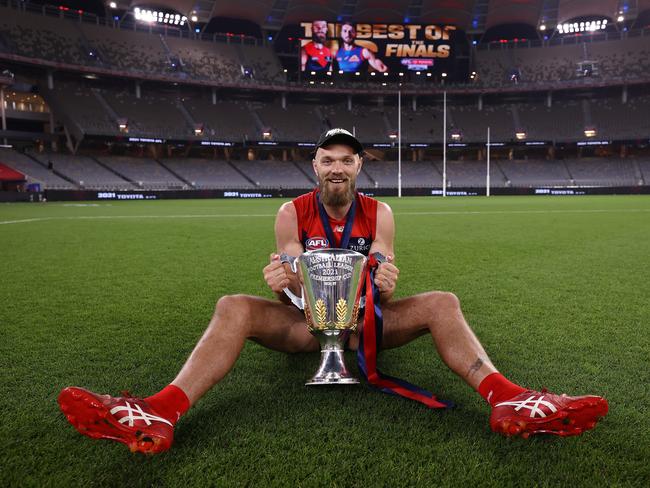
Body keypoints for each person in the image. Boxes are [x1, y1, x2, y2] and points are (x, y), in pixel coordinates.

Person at [58, 128, 608, 454]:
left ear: (360, 166)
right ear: (314, 165)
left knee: (442, 302)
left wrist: (387, 282)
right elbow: (294, 292)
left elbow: (385, 282)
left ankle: (508, 397)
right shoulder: (290, 212)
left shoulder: (381, 212)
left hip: (368, 324)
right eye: (329, 159)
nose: (338, 167)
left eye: (348, 160)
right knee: (233, 306)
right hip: (307, 329)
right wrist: (281, 284)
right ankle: (160, 410)